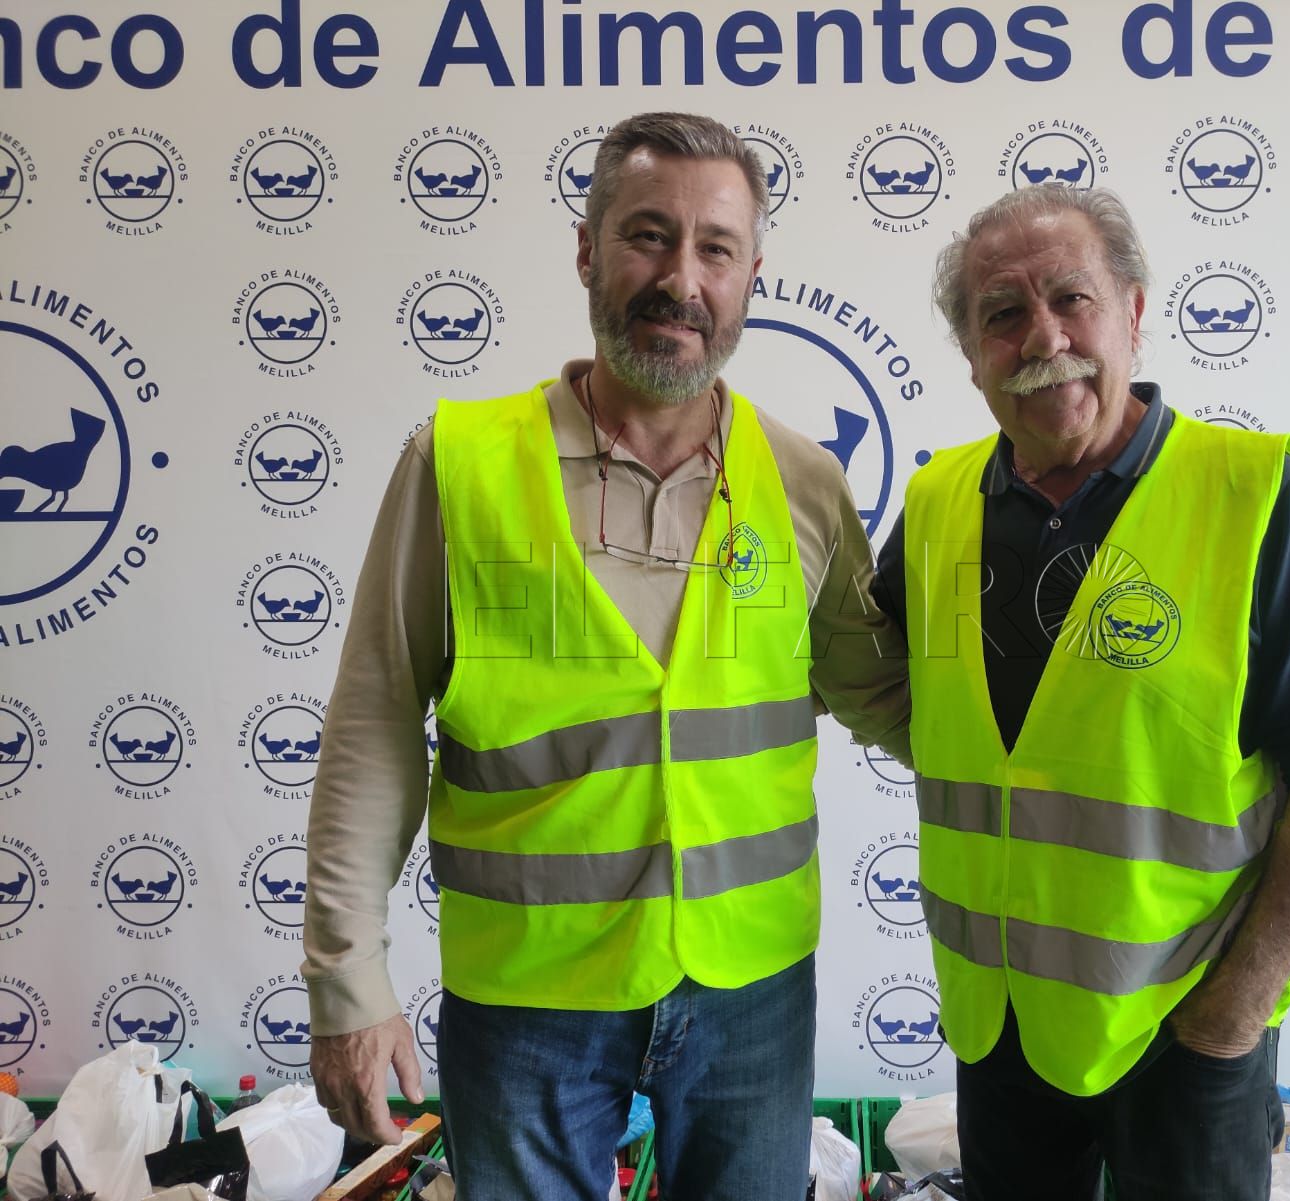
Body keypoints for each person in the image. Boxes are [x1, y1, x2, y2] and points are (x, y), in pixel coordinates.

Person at [303, 112, 911, 1201]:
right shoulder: (461, 463)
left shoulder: (806, 479)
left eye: (715, 249)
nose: (681, 278)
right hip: (529, 995)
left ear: (749, 276)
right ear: (586, 250)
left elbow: (887, 699)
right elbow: (375, 720)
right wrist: (349, 977)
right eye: (646, 235)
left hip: (751, 986)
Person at [870, 185, 1290, 1201]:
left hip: (1185, 1027)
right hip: (1001, 1026)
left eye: (1072, 299)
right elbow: (874, 682)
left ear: (1135, 311)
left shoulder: (1250, 492)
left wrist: (1229, 1016)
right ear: (970, 352)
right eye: (1002, 314)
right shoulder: (935, 504)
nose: (1044, 338)